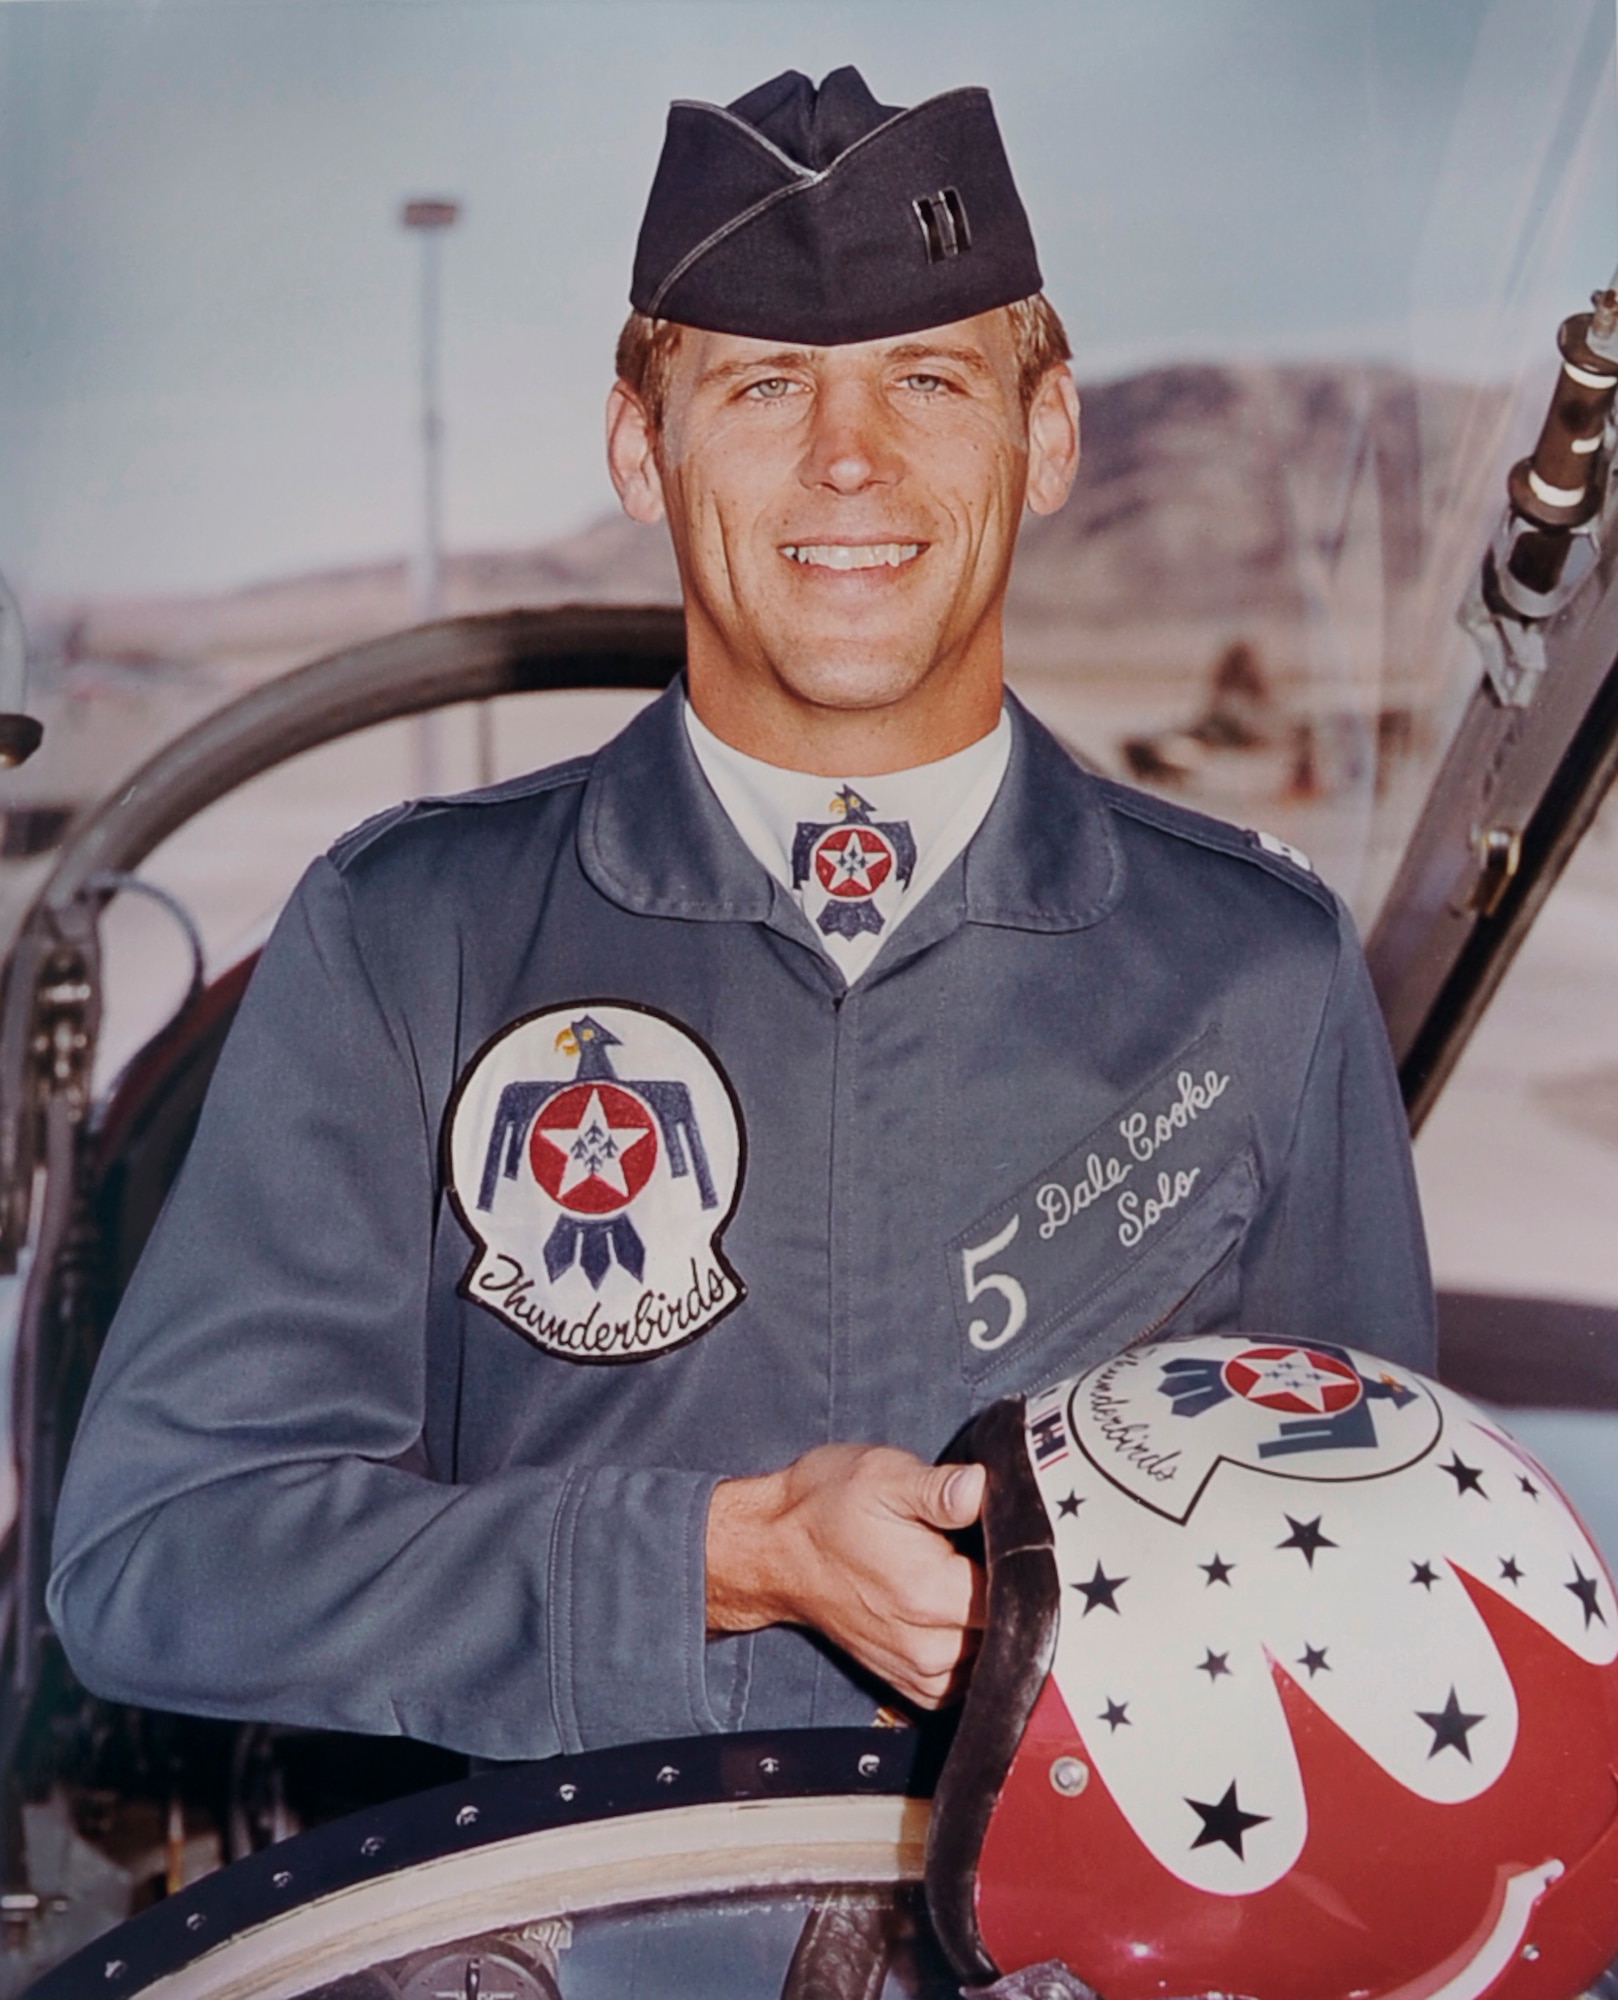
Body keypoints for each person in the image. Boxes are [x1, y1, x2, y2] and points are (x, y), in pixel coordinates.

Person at [48, 67, 1434, 1762]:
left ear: (1046, 433)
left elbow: (1373, 1579)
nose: (849, 460)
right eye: (766, 386)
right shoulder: (415, 939)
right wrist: (711, 1563)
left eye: (927, 379)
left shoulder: (1255, 975)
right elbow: (157, 1558)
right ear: (645, 446)